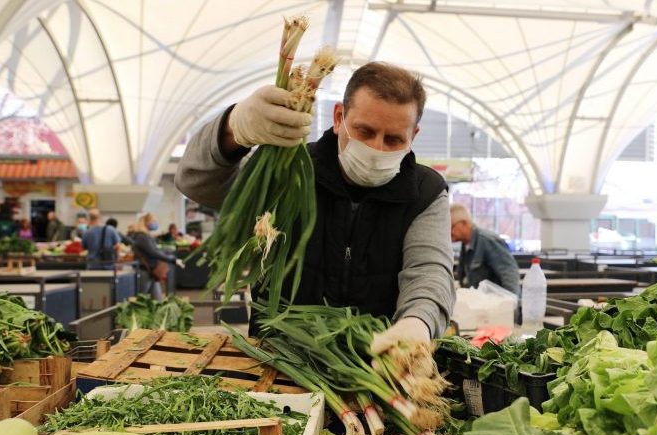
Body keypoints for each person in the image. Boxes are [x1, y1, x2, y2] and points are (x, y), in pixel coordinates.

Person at [175, 62, 454, 353]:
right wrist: (233, 129)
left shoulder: (426, 192)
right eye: (365, 131)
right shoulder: (288, 172)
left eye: (394, 139)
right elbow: (195, 182)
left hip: (374, 363)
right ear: (338, 117)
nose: (377, 148)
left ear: (413, 135)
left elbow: (430, 269)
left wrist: (417, 322)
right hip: (279, 359)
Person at [450, 203, 521, 297]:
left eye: (451, 227)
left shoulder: (487, 241)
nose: (449, 232)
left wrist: (510, 303)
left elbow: (510, 276)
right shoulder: (465, 244)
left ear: (464, 223)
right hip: (479, 303)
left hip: (495, 304)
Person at [130, 213, 184, 301]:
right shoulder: (141, 236)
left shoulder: (145, 236)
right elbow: (153, 252)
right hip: (145, 271)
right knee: (141, 301)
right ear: (147, 222)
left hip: (151, 272)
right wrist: (172, 259)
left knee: (157, 300)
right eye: (153, 221)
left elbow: (154, 250)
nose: (155, 223)